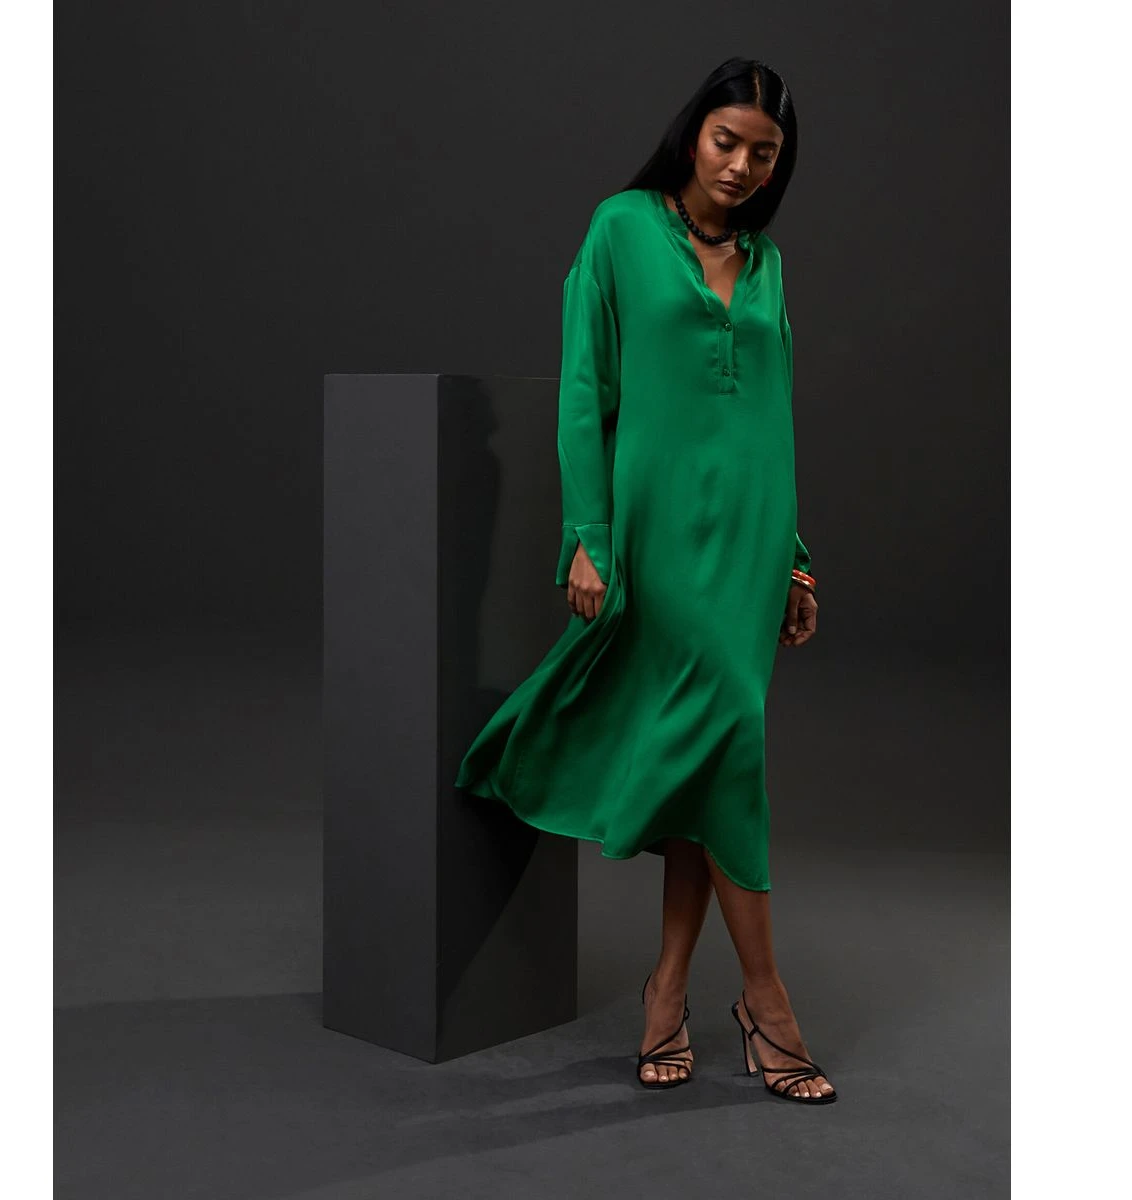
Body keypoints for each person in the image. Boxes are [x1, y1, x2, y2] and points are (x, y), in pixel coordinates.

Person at [454, 56, 835, 1104]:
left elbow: (772, 419)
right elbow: (586, 386)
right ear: (692, 133)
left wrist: (793, 557)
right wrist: (589, 534)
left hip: (748, 542)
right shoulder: (621, 228)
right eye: (728, 141)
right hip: (659, 538)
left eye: (765, 153)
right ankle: (767, 1002)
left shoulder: (767, 265)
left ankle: (668, 989)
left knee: (709, 761)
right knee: (727, 747)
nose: (743, 165)